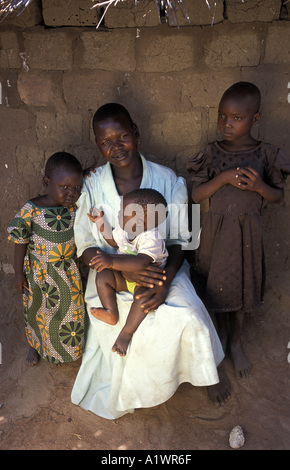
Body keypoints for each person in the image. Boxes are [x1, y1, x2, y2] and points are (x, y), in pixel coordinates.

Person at [71, 102, 226, 420]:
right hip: (111, 271)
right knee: (126, 332)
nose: (115, 146)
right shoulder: (92, 184)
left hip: (162, 267)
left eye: (122, 136)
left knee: (191, 314)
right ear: (98, 146)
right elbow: (86, 246)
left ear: (136, 133)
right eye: (105, 141)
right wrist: (108, 260)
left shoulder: (169, 179)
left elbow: (184, 242)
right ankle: (139, 386)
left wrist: (165, 279)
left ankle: (206, 372)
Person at [187, 81, 290, 379]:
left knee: (242, 289)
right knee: (217, 289)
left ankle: (235, 343)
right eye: (222, 116)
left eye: (237, 118)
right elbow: (197, 195)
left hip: (248, 235)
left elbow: (278, 196)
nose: (227, 123)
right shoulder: (212, 153)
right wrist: (222, 179)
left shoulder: (266, 155)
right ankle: (221, 338)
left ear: (255, 119)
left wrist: (259, 186)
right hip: (217, 236)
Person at [7, 152, 86, 366]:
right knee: (37, 313)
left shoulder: (75, 208)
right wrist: (18, 272)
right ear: (46, 182)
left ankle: (67, 351)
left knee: (70, 314)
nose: (72, 193)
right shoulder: (32, 209)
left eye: (77, 188)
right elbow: (19, 240)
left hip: (67, 273)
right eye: (65, 187)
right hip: (38, 274)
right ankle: (35, 346)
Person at [87, 188, 169, 357]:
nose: (118, 213)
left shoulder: (151, 238)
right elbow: (113, 240)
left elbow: (141, 262)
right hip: (125, 277)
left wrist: (111, 261)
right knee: (103, 275)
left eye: (122, 212)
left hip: (145, 281)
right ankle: (111, 312)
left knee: (143, 298)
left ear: (138, 223)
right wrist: (100, 221)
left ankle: (126, 333)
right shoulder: (125, 229)